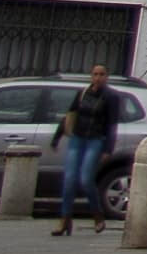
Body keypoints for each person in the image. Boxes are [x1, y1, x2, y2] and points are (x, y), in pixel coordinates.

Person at [48, 62, 118, 236]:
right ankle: (64, 219)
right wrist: (57, 138)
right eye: (95, 74)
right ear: (91, 76)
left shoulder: (111, 96)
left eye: (102, 74)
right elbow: (70, 115)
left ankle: (97, 214)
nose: (98, 78)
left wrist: (108, 150)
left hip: (96, 139)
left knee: (86, 179)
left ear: (106, 77)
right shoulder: (83, 93)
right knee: (69, 179)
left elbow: (112, 125)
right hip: (77, 138)